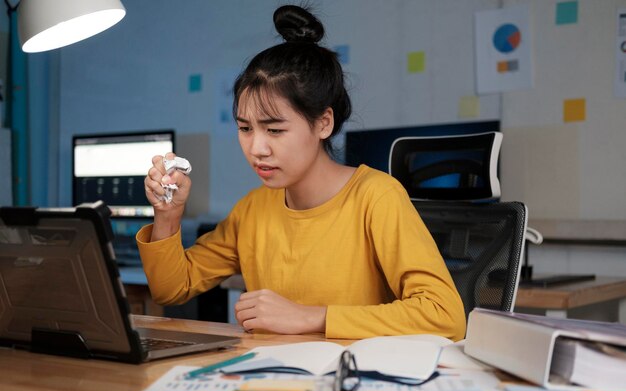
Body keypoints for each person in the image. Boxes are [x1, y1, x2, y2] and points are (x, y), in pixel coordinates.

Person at [137, 4, 466, 340]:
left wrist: (313, 317)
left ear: (323, 123)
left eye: (275, 130)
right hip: (272, 381)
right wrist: (168, 214)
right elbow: (171, 290)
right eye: (245, 128)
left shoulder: (376, 196)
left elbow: (445, 316)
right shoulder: (253, 209)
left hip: (349, 384)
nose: (256, 148)